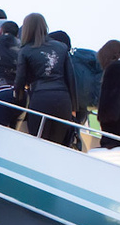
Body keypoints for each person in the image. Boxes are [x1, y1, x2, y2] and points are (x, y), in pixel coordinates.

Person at [13, 13, 77, 145]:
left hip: (40, 99)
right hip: (63, 100)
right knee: (56, 144)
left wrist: (17, 99)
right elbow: (71, 79)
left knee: (39, 142)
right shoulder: (62, 47)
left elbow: (20, 79)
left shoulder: (25, 50)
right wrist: (73, 107)